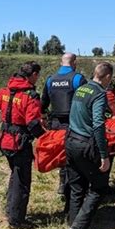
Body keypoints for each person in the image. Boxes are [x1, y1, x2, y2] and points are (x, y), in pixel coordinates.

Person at [0, 61, 45, 229]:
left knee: (15, 175)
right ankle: (16, 220)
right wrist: (46, 138)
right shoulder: (30, 95)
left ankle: (11, 210)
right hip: (20, 142)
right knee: (22, 181)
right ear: (33, 75)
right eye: (37, 75)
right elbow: (32, 123)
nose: (37, 78)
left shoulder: (4, 91)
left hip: (5, 140)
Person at [65, 62, 113, 229]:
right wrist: (103, 154)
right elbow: (98, 125)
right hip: (86, 144)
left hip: (70, 141)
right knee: (99, 187)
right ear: (107, 77)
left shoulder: (81, 89)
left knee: (77, 187)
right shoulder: (99, 94)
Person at [41, 53, 87, 196]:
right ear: (74, 63)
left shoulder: (50, 80)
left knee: (62, 154)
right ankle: (74, 187)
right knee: (74, 156)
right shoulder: (78, 78)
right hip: (74, 123)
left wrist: (45, 116)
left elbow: (43, 104)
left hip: (55, 124)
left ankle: (62, 183)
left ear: (61, 63)